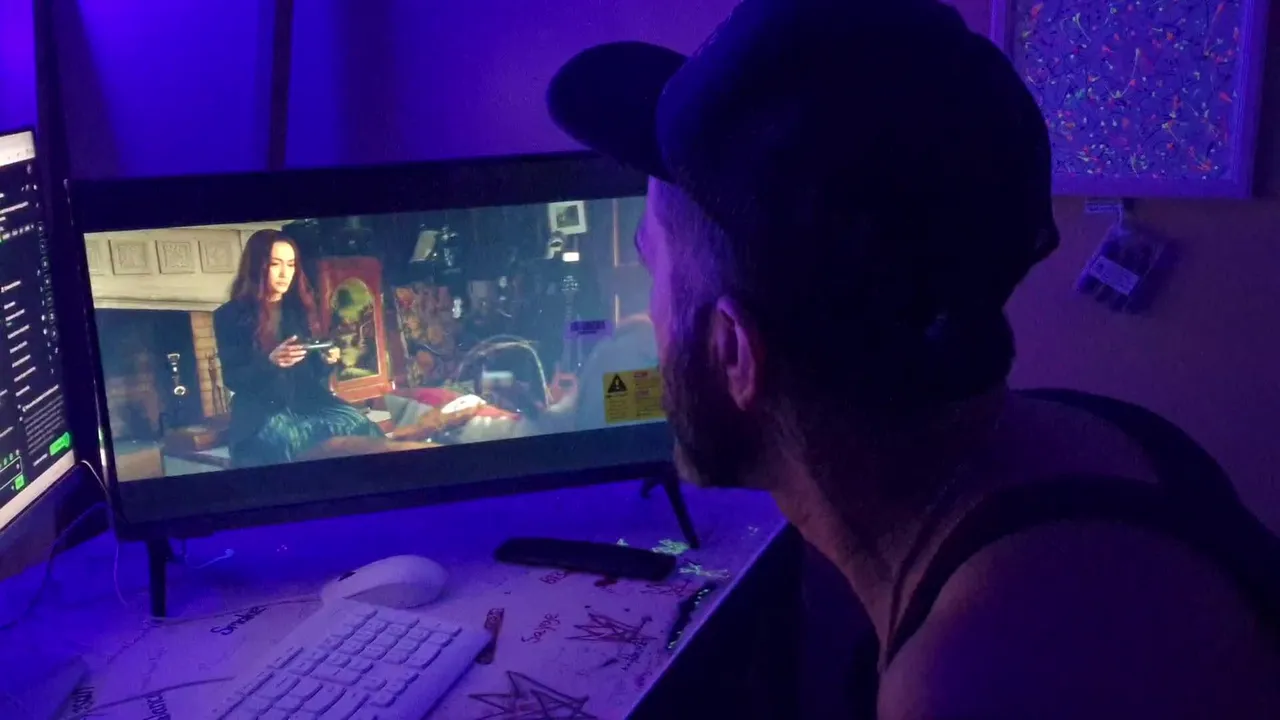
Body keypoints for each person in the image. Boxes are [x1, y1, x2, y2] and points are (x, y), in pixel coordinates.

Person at [546, 0, 1280, 717]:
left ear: (734, 353)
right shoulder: (1099, 435)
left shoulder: (981, 678)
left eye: (652, 264)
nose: (647, 313)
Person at [214, 230, 384, 467]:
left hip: (308, 402)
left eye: (291, 264)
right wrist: (270, 362)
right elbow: (233, 378)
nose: (285, 273)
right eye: (275, 264)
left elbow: (311, 373)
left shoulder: (301, 308)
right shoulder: (230, 315)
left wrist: (325, 360)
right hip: (262, 409)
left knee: (360, 426)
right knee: (291, 441)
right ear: (257, 267)